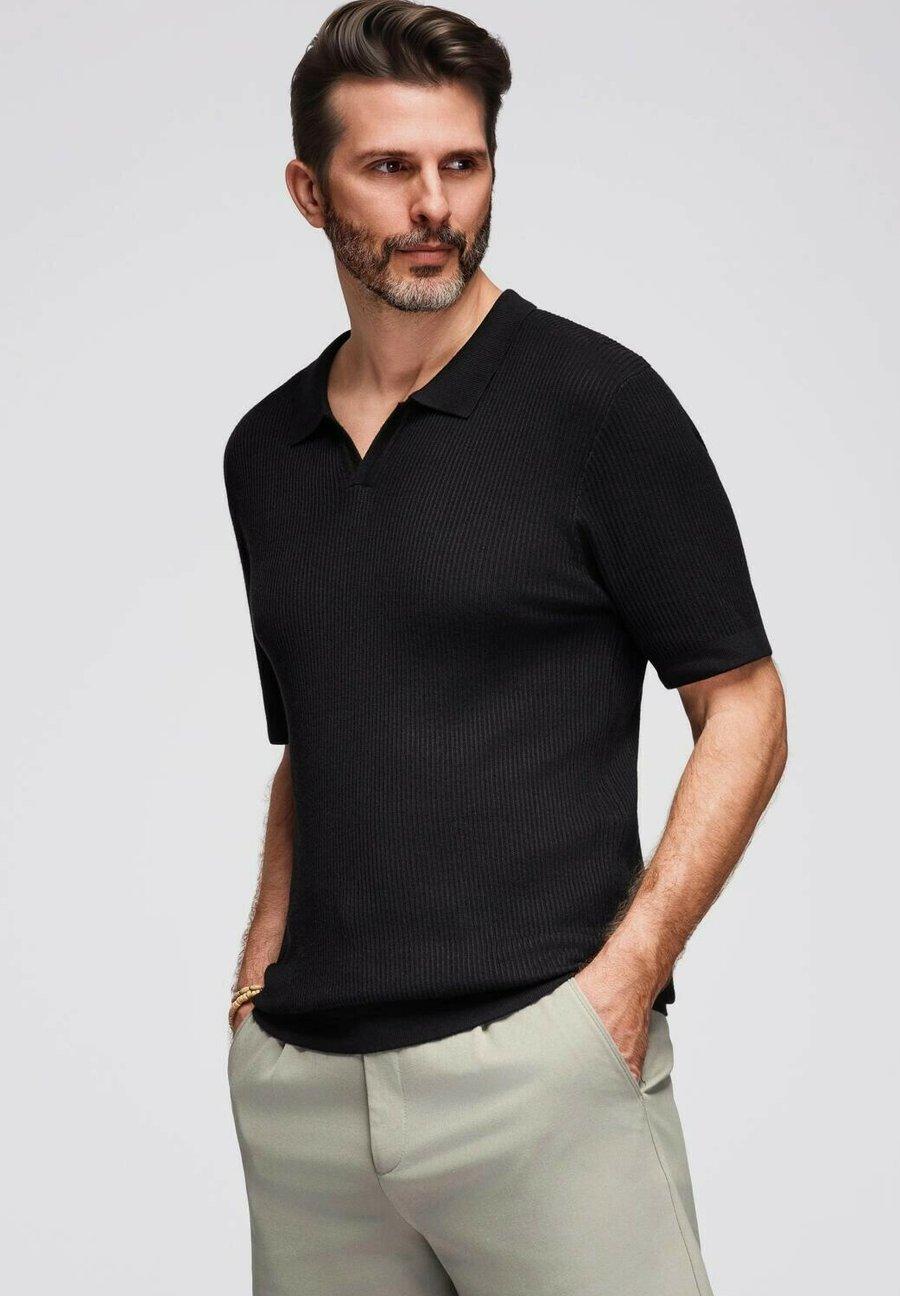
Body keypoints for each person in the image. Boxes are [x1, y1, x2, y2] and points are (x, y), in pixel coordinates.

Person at [222, 3, 787, 1292]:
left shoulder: (597, 405)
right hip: (307, 1107)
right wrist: (256, 984)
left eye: (462, 164)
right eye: (389, 167)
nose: (434, 205)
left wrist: (624, 986)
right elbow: (319, 739)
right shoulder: (268, 451)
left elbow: (746, 706)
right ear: (309, 192)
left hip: (540, 1074)